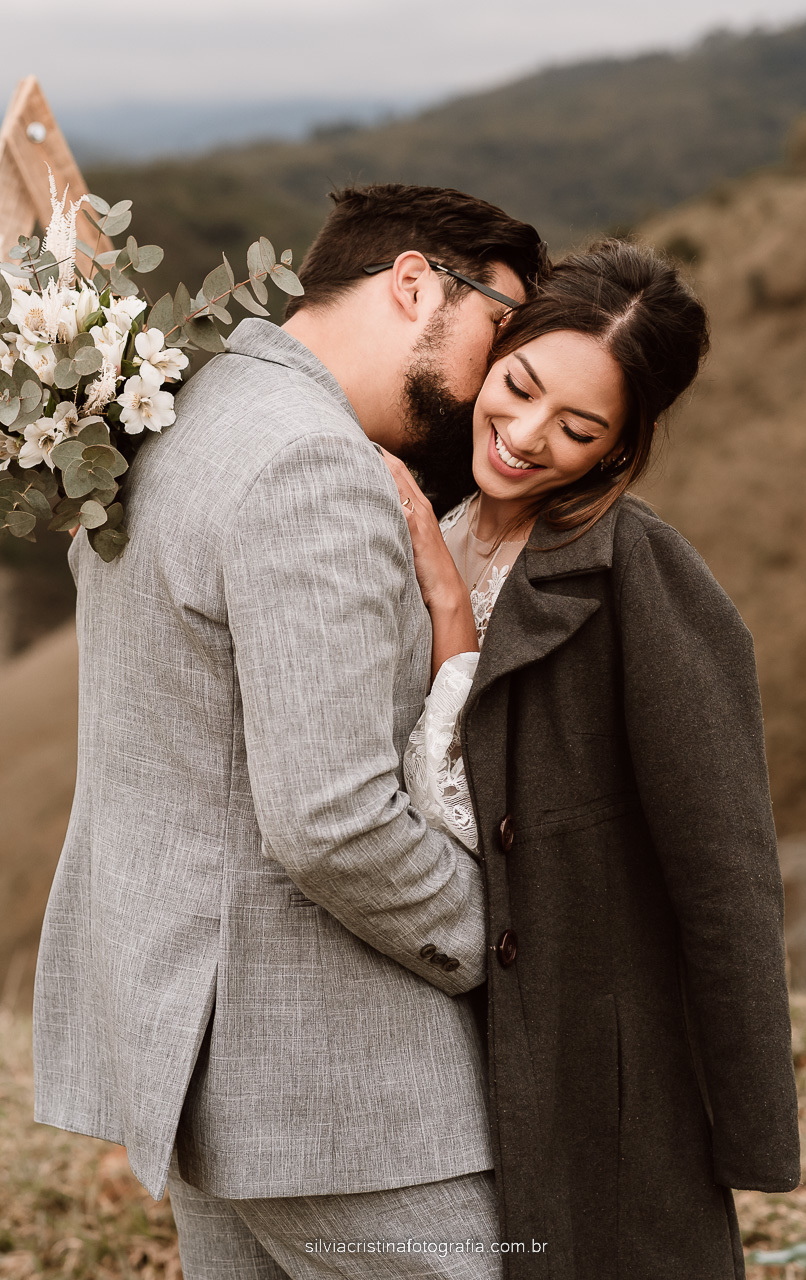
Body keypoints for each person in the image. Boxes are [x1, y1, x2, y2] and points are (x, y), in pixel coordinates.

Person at [32, 184, 549, 1280]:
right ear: (414, 282)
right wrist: (497, 945)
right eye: (498, 329)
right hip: (333, 1079)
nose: (486, 395)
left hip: (197, 1050)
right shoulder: (310, 462)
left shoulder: (174, 411)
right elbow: (331, 817)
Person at [383, 240, 801, 1280]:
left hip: (590, 1058)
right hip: (432, 1041)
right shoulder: (430, 505)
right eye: (517, 388)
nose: (525, 437)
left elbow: (723, 867)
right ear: (496, 346)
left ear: (619, 448)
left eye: (578, 430)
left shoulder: (640, 571)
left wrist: (749, 1121)